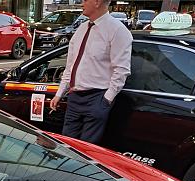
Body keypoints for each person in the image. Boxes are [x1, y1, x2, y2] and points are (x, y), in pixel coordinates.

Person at [48, 0, 133, 145]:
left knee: (87, 150)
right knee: (67, 146)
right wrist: (60, 93)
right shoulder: (82, 28)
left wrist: (106, 100)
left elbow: (121, 70)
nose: (81, 3)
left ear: (97, 2)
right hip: (75, 97)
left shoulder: (117, 30)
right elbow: (71, 65)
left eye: (85, 0)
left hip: (97, 97)